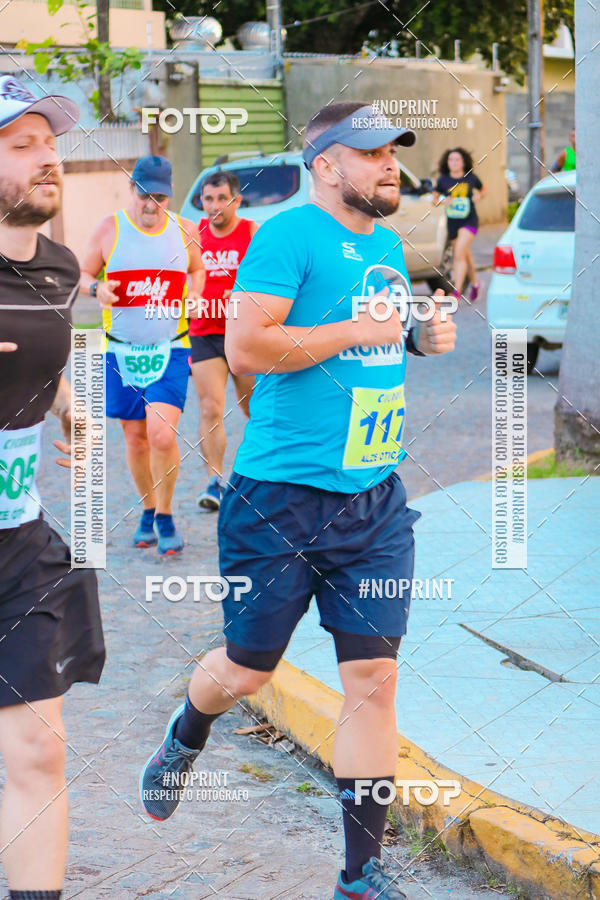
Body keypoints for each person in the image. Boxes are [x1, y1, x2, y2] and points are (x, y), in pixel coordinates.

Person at [140, 101, 457, 899]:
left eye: (395, 151)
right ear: (325, 163)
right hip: (280, 502)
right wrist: (361, 328)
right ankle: (188, 729)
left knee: (373, 683)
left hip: (374, 500)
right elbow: (248, 347)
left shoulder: (385, 243)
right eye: (371, 152)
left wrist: (413, 335)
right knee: (247, 671)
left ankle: (361, 874)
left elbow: (374, 333)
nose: (390, 164)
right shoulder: (285, 235)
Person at [0, 76, 105, 900]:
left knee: (40, 748)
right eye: (21, 145)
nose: (48, 160)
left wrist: (67, 410)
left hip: (20, 544)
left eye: (49, 144)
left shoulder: (59, 266)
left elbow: (44, 357)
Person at [80, 156, 204, 554]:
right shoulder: (109, 228)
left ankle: (166, 516)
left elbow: (198, 269)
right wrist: (94, 288)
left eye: (160, 197)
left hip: (171, 346)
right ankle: (148, 510)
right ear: (131, 188)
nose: (151, 205)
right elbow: (83, 275)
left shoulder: (185, 230)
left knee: (161, 434)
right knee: (135, 439)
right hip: (120, 350)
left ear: (170, 195)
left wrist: (197, 293)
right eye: (143, 194)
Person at [190, 171, 258, 511]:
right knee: (210, 407)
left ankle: (261, 476)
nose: (214, 206)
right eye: (207, 199)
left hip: (243, 334)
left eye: (221, 198)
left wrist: (243, 294)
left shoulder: (252, 233)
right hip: (204, 333)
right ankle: (215, 481)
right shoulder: (194, 234)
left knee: (253, 408)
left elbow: (267, 282)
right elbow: (181, 278)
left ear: (236, 200)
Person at [432, 147, 486, 303]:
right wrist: (443, 200)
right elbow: (434, 199)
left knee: (458, 254)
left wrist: (479, 195)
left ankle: (456, 291)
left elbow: (483, 190)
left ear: (463, 162)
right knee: (464, 253)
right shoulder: (443, 180)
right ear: (446, 162)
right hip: (453, 222)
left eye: (457, 160)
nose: (454, 163)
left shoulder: (471, 178)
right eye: (451, 160)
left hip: (469, 221)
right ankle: (475, 283)